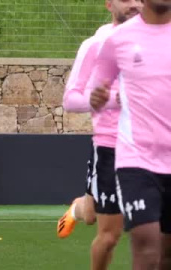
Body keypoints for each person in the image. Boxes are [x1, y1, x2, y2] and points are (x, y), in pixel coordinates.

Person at [58, 0, 142, 269]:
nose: (135, 4)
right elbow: (70, 100)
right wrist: (114, 99)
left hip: (151, 147)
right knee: (101, 227)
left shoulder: (160, 39)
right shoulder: (96, 44)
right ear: (109, 4)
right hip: (110, 145)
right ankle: (78, 207)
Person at [89, 0, 171, 268]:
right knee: (146, 244)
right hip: (136, 159)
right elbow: (97, 88)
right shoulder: (118, 40)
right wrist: (100, 97)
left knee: (167, 254)